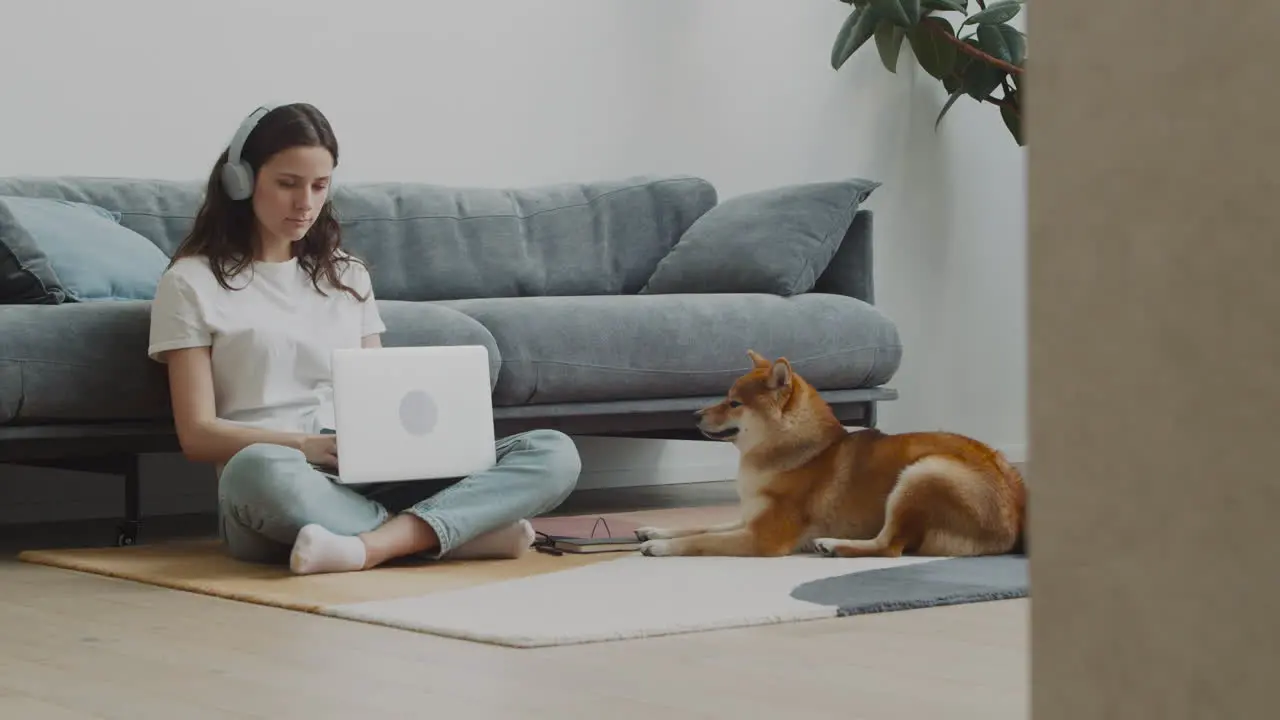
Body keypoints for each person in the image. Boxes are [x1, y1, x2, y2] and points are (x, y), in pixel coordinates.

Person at [147, 103, 581, 575]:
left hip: (371, 470)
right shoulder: (190, 283)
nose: (305, 204)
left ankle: (369, 547)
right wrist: (304, 447)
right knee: (255, 471)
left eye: (319, 186)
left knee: (552, 451)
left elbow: (379, 394)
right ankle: (448, 533)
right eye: (287, 184)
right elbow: (197, 435)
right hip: (285, 477)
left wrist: (404, 444)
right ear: (242, 181)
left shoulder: (345, 274)